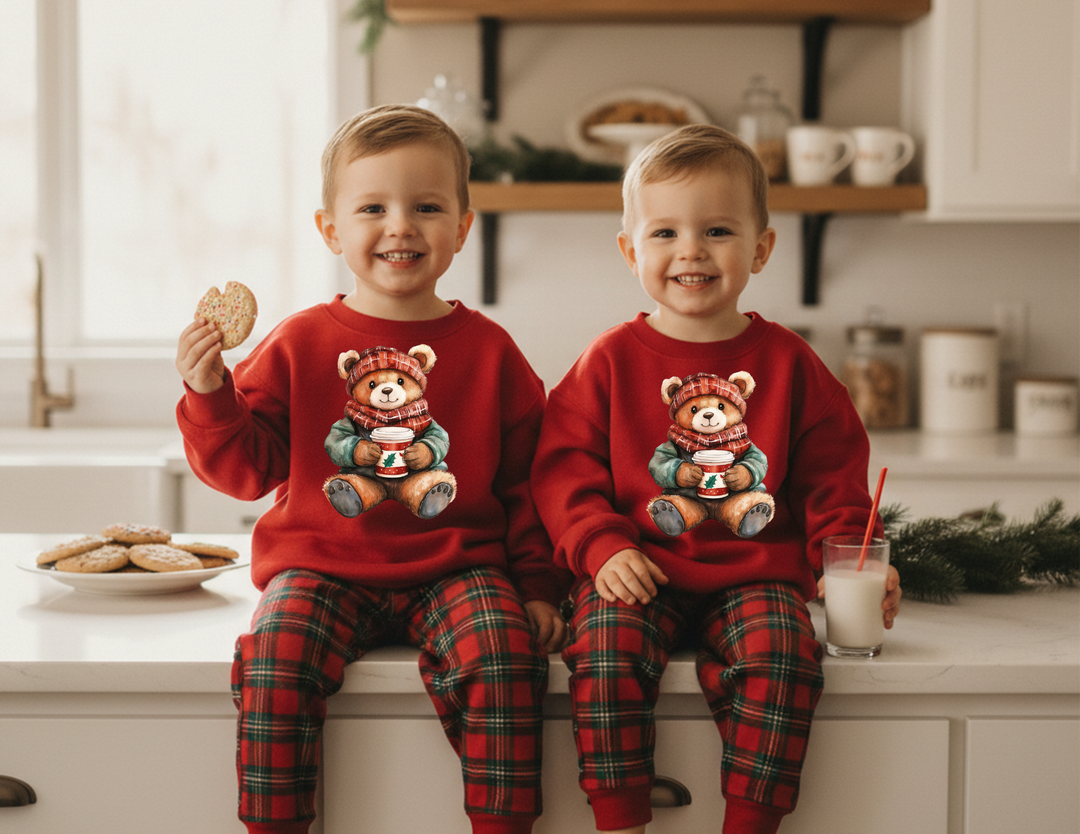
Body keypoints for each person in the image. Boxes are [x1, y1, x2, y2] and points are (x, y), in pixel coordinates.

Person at [175, 104, 567, 834]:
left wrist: (539, 586)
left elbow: (528, 487)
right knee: (274, 662)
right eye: (373, 208)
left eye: (426, 207)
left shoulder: (492, 353)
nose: (400, 226)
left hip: (459, 566)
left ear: (461, 227)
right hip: (321, 566)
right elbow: (244, 469)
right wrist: (209, 396)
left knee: (509, 659)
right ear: (331, 229)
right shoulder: (298, 342)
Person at [530, 124, 901, 834]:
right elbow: (562, 471)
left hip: (755, 576)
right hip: (635, 571)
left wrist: (853, 558)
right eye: (664, 232)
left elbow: (836, 484)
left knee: (787, 659)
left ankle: (751, 823)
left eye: (718, 230)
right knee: (602, 655)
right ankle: (620, 819)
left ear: (760, 248)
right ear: (630, 250)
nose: (691, 251)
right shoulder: (606, 361)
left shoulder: (792, 365)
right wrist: (601, 546)